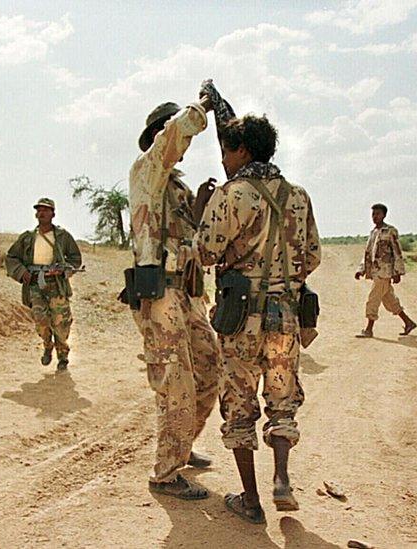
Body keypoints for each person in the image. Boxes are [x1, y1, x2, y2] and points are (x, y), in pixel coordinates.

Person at [196, 84, 321, 524]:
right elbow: (313, 256)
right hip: (285, 313)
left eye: (227, 152)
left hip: (240, 317)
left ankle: (250, 501)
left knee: (239, 402)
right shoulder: (298, 195)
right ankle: (282, 480)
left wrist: (201, 211)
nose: (224, 161)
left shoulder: (231, 194)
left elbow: (206, 250)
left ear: (242, 151)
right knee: (282, 397)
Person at [129, 93, 221, 500]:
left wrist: (199, 208)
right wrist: (201, 106)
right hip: (159, 293)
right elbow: (176, 132)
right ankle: (165, 473)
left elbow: (189, 241)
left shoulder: (174, 188)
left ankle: (180, 448)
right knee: (177, 383)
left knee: (210, 368)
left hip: (185, 292)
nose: (182, 151)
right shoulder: (146, 171)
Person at [5, 198, 83, 371]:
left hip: (56, 284)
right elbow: (11, 257)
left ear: (53, 214)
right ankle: (47, 345)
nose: (42, 213)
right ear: (36, 214)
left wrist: (64, 270)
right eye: (39, 210)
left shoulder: (62, 236)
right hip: (35, 284)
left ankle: (62, 356)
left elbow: (75, 259)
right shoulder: (27, 238)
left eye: (46, 210)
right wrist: (21, 272)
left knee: (61, 323)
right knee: (40, 321)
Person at [354, 203, 417, 338]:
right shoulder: (373, 233)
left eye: (377, 214)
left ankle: (369, 329)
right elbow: (368, 254)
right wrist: (361, 269)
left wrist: (398, 272)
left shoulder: (390, 231)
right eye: (373, 214)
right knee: (389, 300)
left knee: (373, 299)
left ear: (384, 215)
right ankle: (408, 322)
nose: (374, 217)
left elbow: (397, 252)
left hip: (384, 272)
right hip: (376, 272)